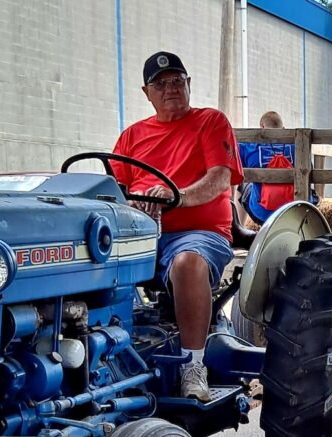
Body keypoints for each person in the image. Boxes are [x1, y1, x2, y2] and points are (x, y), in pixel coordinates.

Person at [111, 51, 244, 401]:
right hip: (141, 234)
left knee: (187, 262)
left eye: (177, 80)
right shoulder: (131, 137)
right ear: (146, 92)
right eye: (160, 83)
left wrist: (176, 197)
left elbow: (219, 180)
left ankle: (193, 366)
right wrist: (133, 200)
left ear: (188, 85)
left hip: (199, 234)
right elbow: (114, 192)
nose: (170, 88)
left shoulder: (210, 122)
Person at [237, 111, 317, 225]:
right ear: (283, 128)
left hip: (263, 212)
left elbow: (234, 167)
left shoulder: (249, 145)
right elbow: (310, 173)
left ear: (261, 126)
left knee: (242, 184)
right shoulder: (298, 145)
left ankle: (239, 227)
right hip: (296, 210)